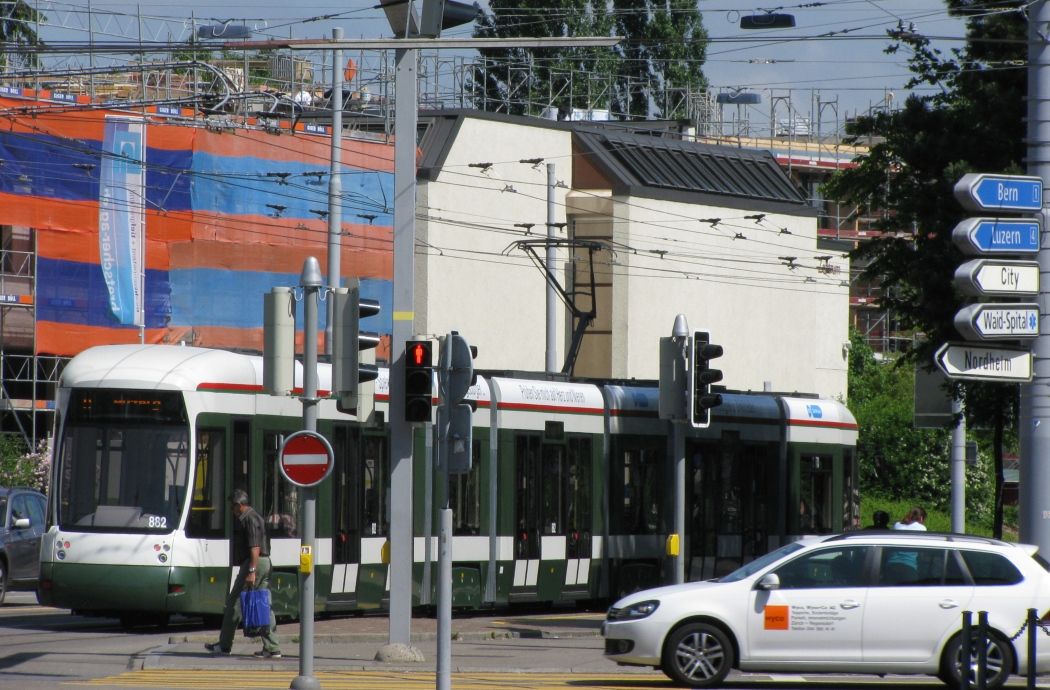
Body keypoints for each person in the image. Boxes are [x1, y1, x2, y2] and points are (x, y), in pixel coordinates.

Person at [205, 489, 281, 658]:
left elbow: (255, 547)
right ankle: (272, 647)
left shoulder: (249, 519)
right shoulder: (255, 517)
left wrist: (252, 570)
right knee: (262, 604)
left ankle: (224, 645)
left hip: (255, 563)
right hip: (264, 562)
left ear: (239, 505)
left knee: (233, 602)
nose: (232, 511)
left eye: (233, 507)